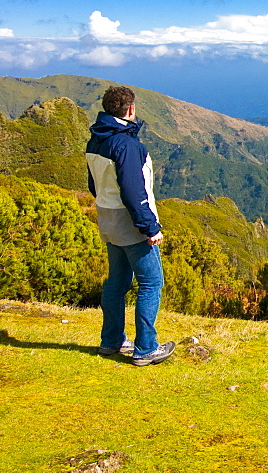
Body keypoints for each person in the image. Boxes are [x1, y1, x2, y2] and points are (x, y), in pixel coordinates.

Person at [86, 86, 175, 366]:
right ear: (131, 109)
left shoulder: (96, 141)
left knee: (117, 281)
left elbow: (94, 184)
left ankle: (111, 341)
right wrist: (150, 227)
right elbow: (134, 191)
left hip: (107, 218)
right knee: (151, 282)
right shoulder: (126, 146)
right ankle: (146, 348)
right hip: (129, 221)